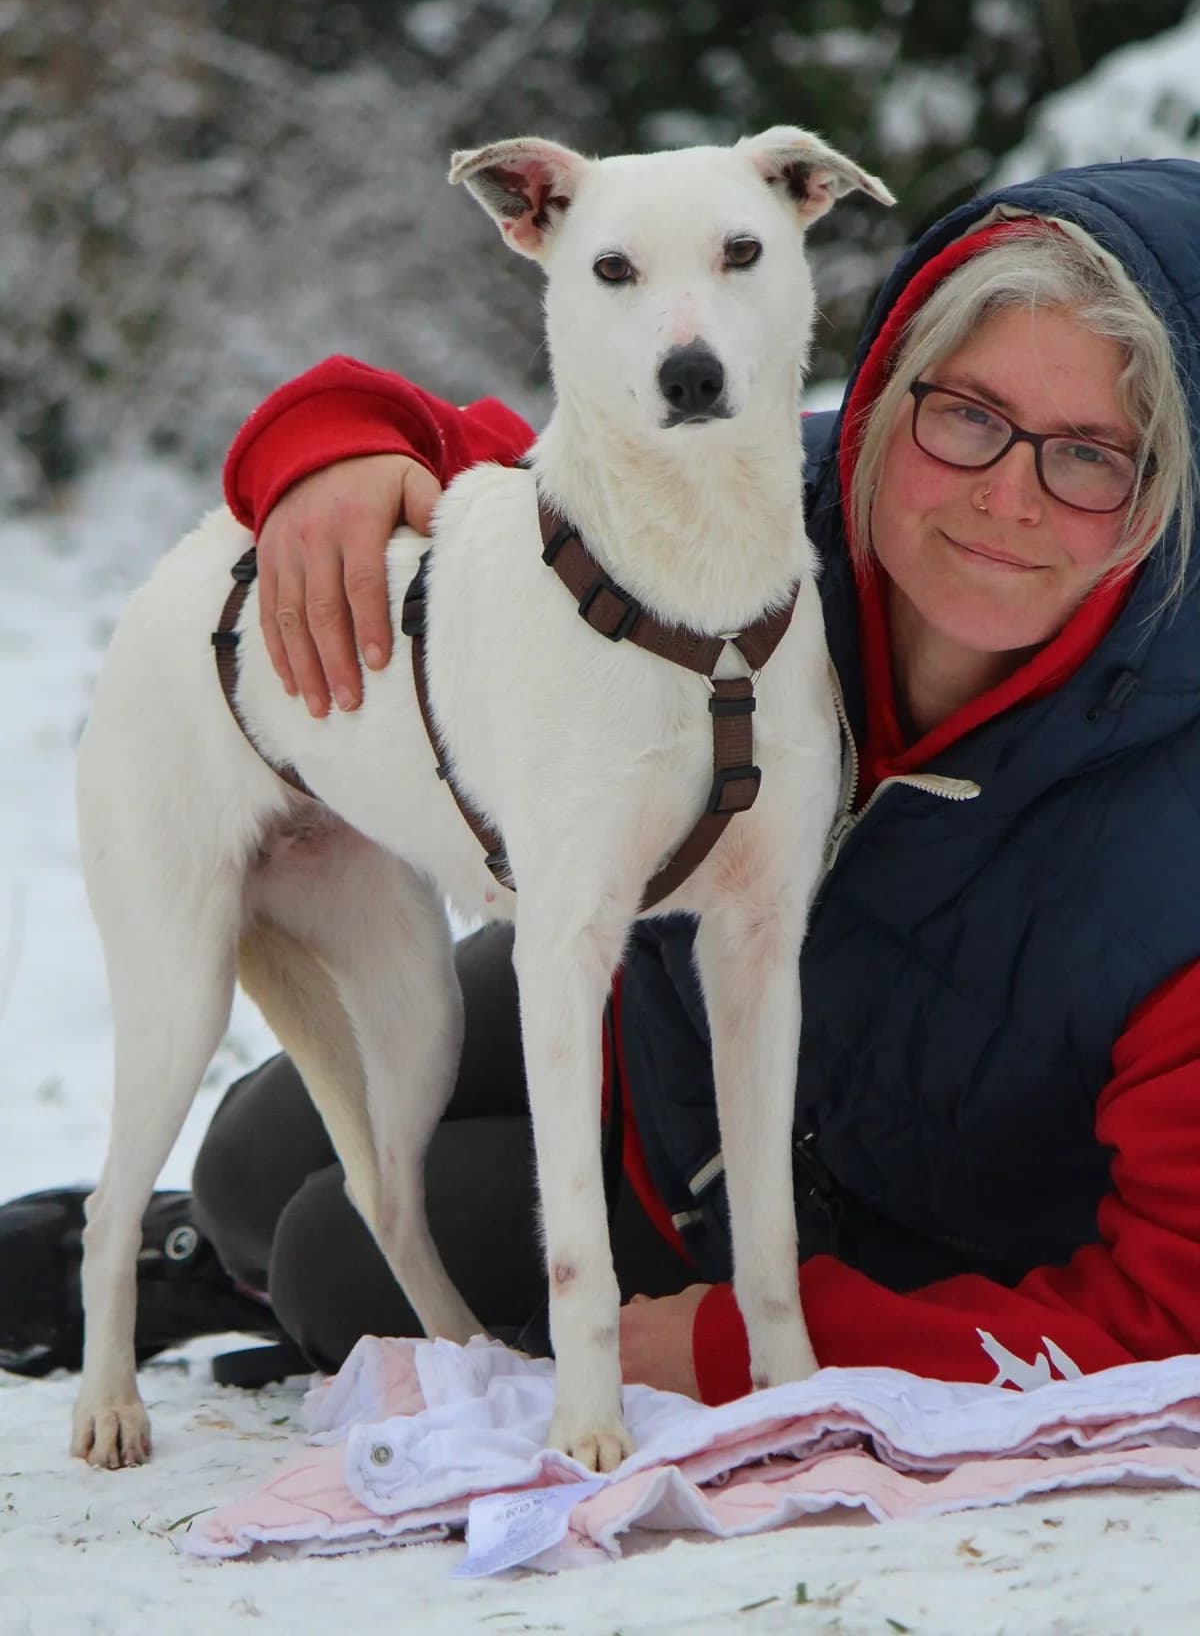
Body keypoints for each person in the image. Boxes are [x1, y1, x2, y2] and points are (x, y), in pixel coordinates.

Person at [6, 155, 1200, 1405]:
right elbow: (493, 476)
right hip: (640, 990)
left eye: (1088, 456)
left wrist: (746, 1343)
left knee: (327, 1259)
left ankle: (258, 1285)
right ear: (890, 392)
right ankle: (202, 1254)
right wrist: (331, 449)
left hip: (836, 1244)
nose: (1006, 495)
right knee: (253, 1156)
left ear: (1170, 480)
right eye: (967, 416)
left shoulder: (1171, 844)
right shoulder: (771, 494)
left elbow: (1170, 1310)